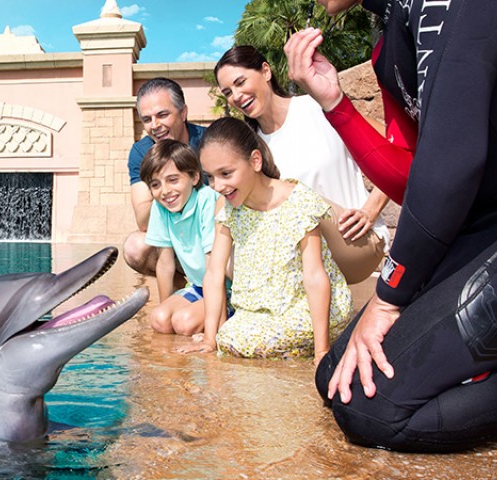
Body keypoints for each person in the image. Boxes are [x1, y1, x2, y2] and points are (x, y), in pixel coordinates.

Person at [285, 0, 497, 452]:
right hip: (489, 230)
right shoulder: (393, 37)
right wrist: (335, 103)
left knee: (374, 411)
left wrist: (389, 295)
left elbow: (452, 167)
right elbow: (412, 178)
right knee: (335, 378)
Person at [178, 116, 351, 366]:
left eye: (226, 173)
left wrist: (322, 351)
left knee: (240, 340)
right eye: (211, 177)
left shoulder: (297, 200)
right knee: (227, 337)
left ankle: (307, 346)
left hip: (306, 308)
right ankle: (286, 351)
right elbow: (214, 272)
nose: (218, 185)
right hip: (262, 311)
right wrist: (209, 337)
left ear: (255, 161)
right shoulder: (229, 208)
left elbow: (314, 275)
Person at [214, 45, 390, 284]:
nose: (236, 95)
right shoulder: (251, 146)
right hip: (303, 263)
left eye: (240, 82)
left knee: (291, 192)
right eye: (227, 92)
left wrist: (371, 209)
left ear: (266, 71)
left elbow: (393, 147)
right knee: (222, 206)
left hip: (355, 243)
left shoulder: (317, 107)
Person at [124, 78, 206, 277]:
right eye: (147, 119)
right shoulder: (141, 152)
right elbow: (144, 222)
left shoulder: (211, 142)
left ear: (183, 113)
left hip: (215, 232)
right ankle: (185, 294)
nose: (155, 125)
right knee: (135, 247)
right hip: (177, 234)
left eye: (162, 115)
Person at [140, 140, 222, 335]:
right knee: (159, 319)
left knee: (184, 323)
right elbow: (165, 264)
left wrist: (211, 333)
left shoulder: (207, 199)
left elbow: (214, 267)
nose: (165, 191)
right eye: (156, 184)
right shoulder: (161, 208)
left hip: (224, 289)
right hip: (198, 287)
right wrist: (166, 308)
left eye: (173, 180)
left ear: (194, 177)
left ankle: (227, 318)